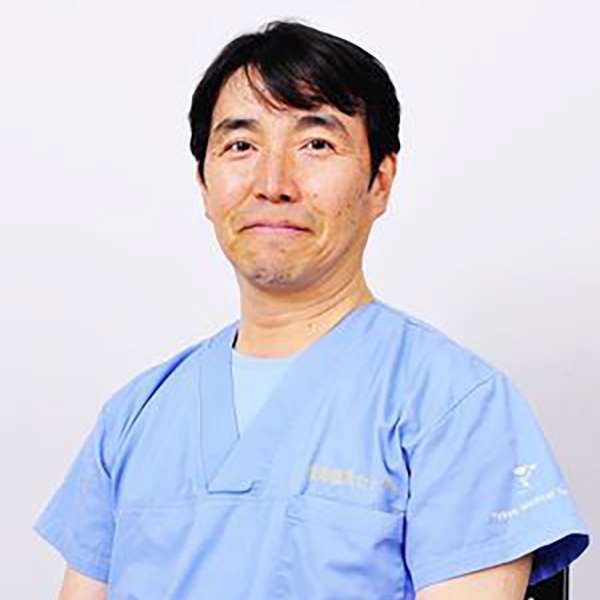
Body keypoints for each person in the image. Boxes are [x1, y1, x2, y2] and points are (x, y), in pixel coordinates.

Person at [34, 19, 590, 600]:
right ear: (203, 183)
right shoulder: (134, 417)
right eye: (241, 146)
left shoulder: (455, 408)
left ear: (380, 181)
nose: (273, 183)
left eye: (316, 144)